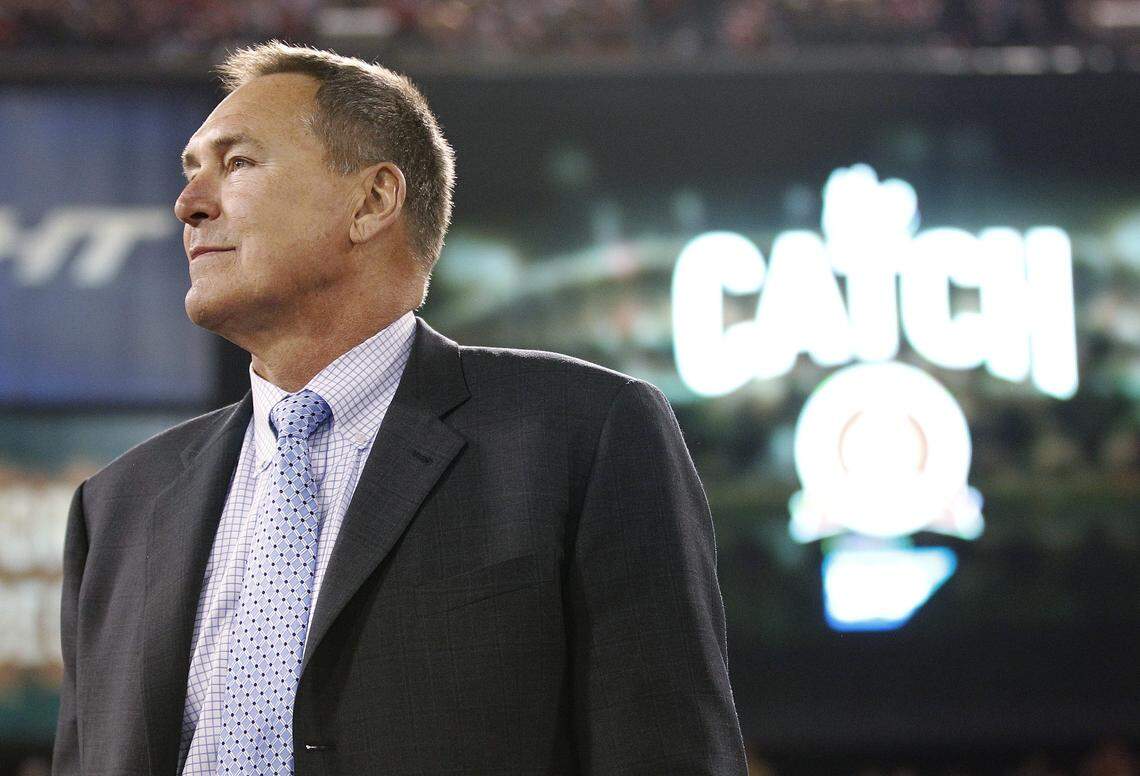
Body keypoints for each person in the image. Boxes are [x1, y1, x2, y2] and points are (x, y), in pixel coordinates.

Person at [52, 41, 746, 775]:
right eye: (192, 172)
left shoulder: (581, 436)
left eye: (239, 163)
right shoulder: (117, 509)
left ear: (373, 200)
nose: (189, 204)